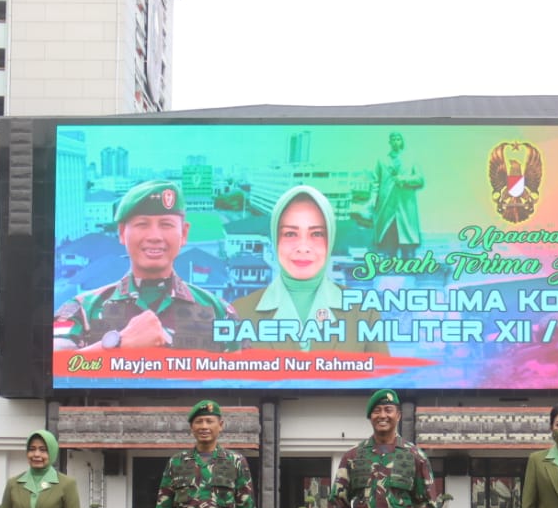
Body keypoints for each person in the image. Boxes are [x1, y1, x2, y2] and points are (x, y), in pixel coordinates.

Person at [54, 179, 236, 352]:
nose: (155, 236)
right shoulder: (82, 310)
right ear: (123, 233)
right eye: (142, 224)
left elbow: (244, 377)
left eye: (166, 224)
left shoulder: (220, 312)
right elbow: (51, 369)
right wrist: (118, 345)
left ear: (184, 233)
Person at [230, 184, 387, 354]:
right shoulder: (240, 312)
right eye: (290, 234)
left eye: (317, 234)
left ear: (330, 240)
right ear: (276, 240)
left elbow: (385, 377)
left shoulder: (363, 311)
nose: (303, 247)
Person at [370, 131, 425, 259]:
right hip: (386, 205)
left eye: (398, 139)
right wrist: (373, 199)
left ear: (402, 141)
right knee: (388, 241)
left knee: (407, 241)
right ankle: (388, 269)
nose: (396, 142)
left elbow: (419, 179)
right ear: (389, 142)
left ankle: (408, 267)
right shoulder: (382, 160)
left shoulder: (411, 159)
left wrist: (404, 179)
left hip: (405, 205)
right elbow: (376, 181)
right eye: (393, 139)